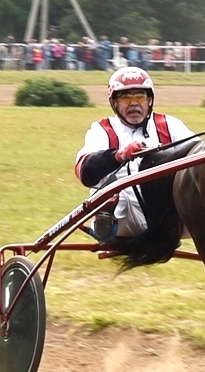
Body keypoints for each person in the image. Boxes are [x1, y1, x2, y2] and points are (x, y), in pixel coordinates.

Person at [74, 67, 194, 241]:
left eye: (140, 96)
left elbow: (199, 155)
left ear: (149, 100)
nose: (134, 103)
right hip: (124, 218)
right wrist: (119, 155)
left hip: (169, 214)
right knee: (119, 192)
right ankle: (105, 221)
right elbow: (85, 172)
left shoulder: (169, 125)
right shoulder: (102, 130)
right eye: (125, 98)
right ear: (114, 102)